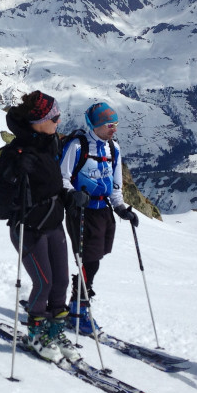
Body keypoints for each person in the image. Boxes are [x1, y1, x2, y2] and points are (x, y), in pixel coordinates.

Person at [0, 91, 88, 363]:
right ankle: (36, 333)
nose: (59, 122)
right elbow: (6, 185)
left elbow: (53, 182)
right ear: (39, 121)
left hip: (53, 222)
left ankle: (55, 330)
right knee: (44, 282)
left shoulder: (50, 143)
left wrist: (69, 195)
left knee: (61, 280)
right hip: (28, 227)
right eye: (55, 117)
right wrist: (15, 171)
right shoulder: (17, 151)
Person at [59, 102, 138, 334]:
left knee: (94, 259)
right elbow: (62, 177)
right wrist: (73, 195)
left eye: (115, 125)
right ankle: (78, 309)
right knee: (87, 261)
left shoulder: (113, 148)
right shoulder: (77, 146)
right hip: (82, 211)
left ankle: (77, 305)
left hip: (103, 211)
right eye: (108, 125)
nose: (113, 129)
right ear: (96, 125)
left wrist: (121, 208)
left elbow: (115, 184)